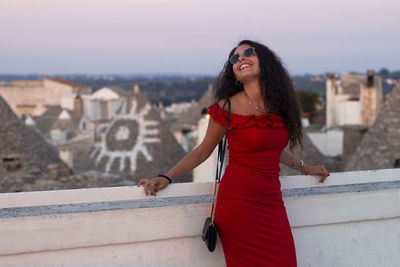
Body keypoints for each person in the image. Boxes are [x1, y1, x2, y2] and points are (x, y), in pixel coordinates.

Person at [138, 40, 330, 266]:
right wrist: (167, 176)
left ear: (265, 62)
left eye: (248, 52)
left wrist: (306, 168)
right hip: (238, 205)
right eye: (234, 58)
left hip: (272, 204)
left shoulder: (279, 106)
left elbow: (272, 150)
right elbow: (203, 150)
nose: (241, 59)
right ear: (234, 74)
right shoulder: (226, 108)